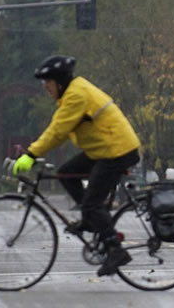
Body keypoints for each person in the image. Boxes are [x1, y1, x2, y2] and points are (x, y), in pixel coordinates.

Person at [12, 55, 141, 276]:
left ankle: (115, 251)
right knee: (66, 173)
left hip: (116, 150)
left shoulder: (76, 96)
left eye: (48, 82)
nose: (45, 87)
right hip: (103, 148)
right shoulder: (71, 94)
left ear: (60, 81)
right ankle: (91, 221)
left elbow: (58, 131)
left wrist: (31, 154)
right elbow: (58, 128)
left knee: (92, 203)